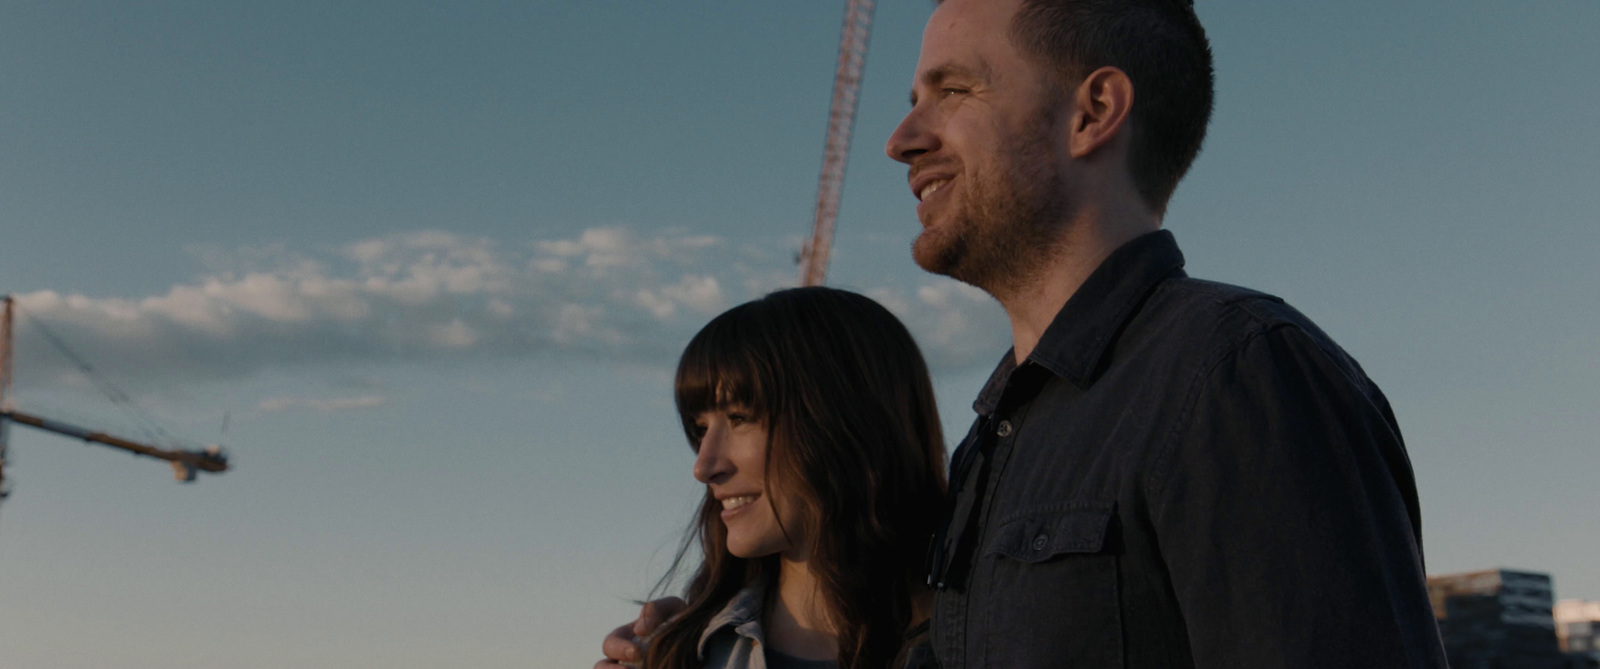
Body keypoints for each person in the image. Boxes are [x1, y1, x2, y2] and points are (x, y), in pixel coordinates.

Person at [610, 0, 1449, 666]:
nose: (903, 140)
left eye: (954, 90)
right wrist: (698, 639)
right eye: (912, 100)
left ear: (1093, 112)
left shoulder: (1234, 374)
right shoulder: (994, 446)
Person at [610, 287, 948, 669]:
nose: (703, 467)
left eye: (740, 418)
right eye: (700, 428)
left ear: (848, 422)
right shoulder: (676, 655)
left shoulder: (989, 641)